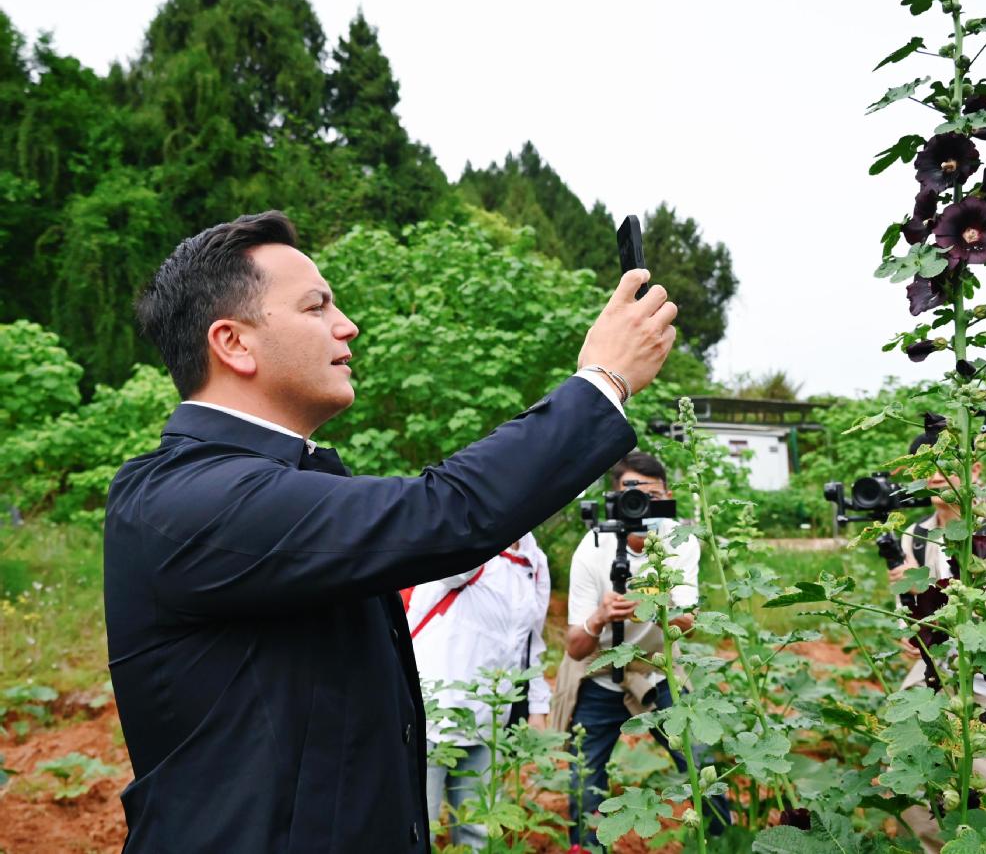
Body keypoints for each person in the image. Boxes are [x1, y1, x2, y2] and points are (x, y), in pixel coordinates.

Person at [104, 210, 678, 852]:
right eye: (316, 306)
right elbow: (444, 513)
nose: (347, 325)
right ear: (233, 343)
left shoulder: (274, 483)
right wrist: (602, 382)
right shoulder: (182, 496)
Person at [551, 451, 730, 848]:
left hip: (656, 668)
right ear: (614, 499)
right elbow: (575, 648)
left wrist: (655, 602)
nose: (641, 506)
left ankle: (721, 843)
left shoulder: (679, 542)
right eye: (631, 495)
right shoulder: (592, 547)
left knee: (701, 765)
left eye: (651, 496)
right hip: (600, 673)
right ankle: (587, 847)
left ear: (667, 496)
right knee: (584, 783)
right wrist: (600, 617)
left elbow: (689, 621)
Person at [890, 427, 986, 852]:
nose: (936, 474)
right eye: (926, 466)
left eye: (947, 463)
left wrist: (933, 600)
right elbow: (911, 610)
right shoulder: (916, 534)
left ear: (974, 469)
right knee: (924, 797)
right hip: (936, 680)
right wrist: (911, 628)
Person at [407, 533, 551, 848]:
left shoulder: (535, 562)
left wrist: (538, 707)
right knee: (419, 830)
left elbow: (531, 643)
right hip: (430, 715)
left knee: (477, 832)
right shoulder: (473, 537)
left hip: (488, 721)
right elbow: (450, 566)